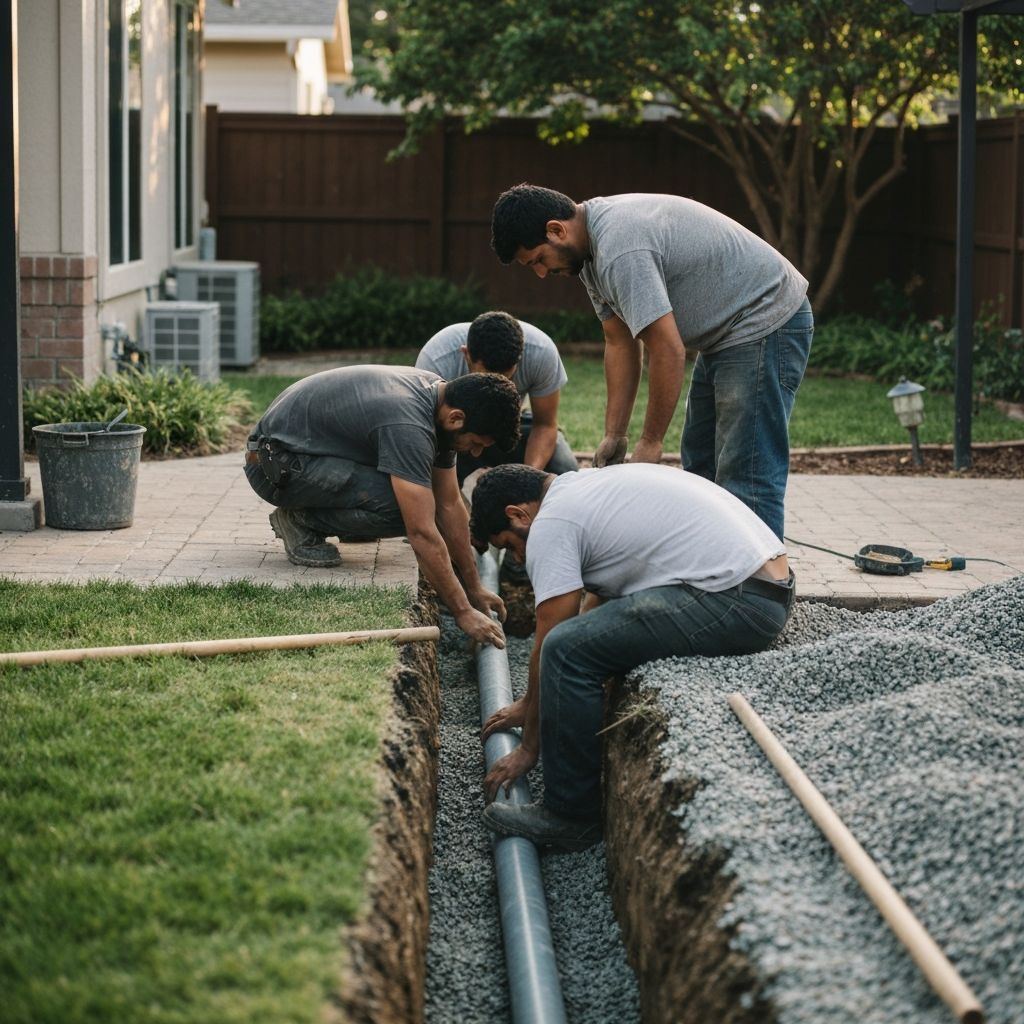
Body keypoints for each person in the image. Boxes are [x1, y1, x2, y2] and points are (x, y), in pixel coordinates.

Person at [469, 462, 795, 850]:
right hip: (764, 587)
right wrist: (533, 702)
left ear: (517, 514)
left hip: (738, 603)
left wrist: (529, 747)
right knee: (572, 646)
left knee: (564, 652)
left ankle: (571, 815)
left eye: (511, 545)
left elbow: (552, 638)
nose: (518, 558)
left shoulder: (552, 523)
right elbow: (595, 604)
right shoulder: (583, 489)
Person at [490, 184, 814, 541]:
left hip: (764, 319)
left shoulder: (619, 249)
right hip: (725, 335)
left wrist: (650, 442)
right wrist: (616, 433)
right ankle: (712, 570)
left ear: (556, 230)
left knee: (746, 465)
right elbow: (620, 341)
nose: (540, 273)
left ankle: (762, 589)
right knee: (699, 462)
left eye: (538, 259)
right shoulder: (589, 258)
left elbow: (667, 349)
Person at [244, 364, 521, 647]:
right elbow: (422, 532)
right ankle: (301, 521)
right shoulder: (408, 423)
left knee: (423, 501)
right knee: (407, 510)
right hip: (274, 468)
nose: (475, 453)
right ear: (456, 418)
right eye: (475, 443)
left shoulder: (440, 400)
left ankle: (332, 517)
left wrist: (474, 588)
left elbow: (449, 504)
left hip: (303, 453)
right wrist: (463, 613)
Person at [415, 310, 578, 483]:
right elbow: (429, 436)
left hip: (511, 426)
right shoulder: (436, 362)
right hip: (460, 432)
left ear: (519, 360)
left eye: (506, 379)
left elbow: (545, 425)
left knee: (565, 469)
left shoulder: (542, 353)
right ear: (466, 354)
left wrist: (528, 478)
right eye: (485, 378)